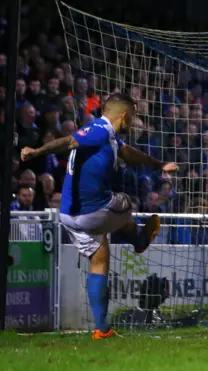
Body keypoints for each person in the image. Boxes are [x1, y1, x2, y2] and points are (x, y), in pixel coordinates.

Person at [21, 93, 178, 339]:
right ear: (124, 116)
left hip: (69, 216)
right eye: (133, 117)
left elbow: (128, 153)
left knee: (100, 257)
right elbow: (68, 142)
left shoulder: (107, 136)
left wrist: (159, 165)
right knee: (127, 201)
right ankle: (136, 238)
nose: (134, 122)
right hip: (92, 211)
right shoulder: (100, 130)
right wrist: (37, 151)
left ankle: (101, 329)